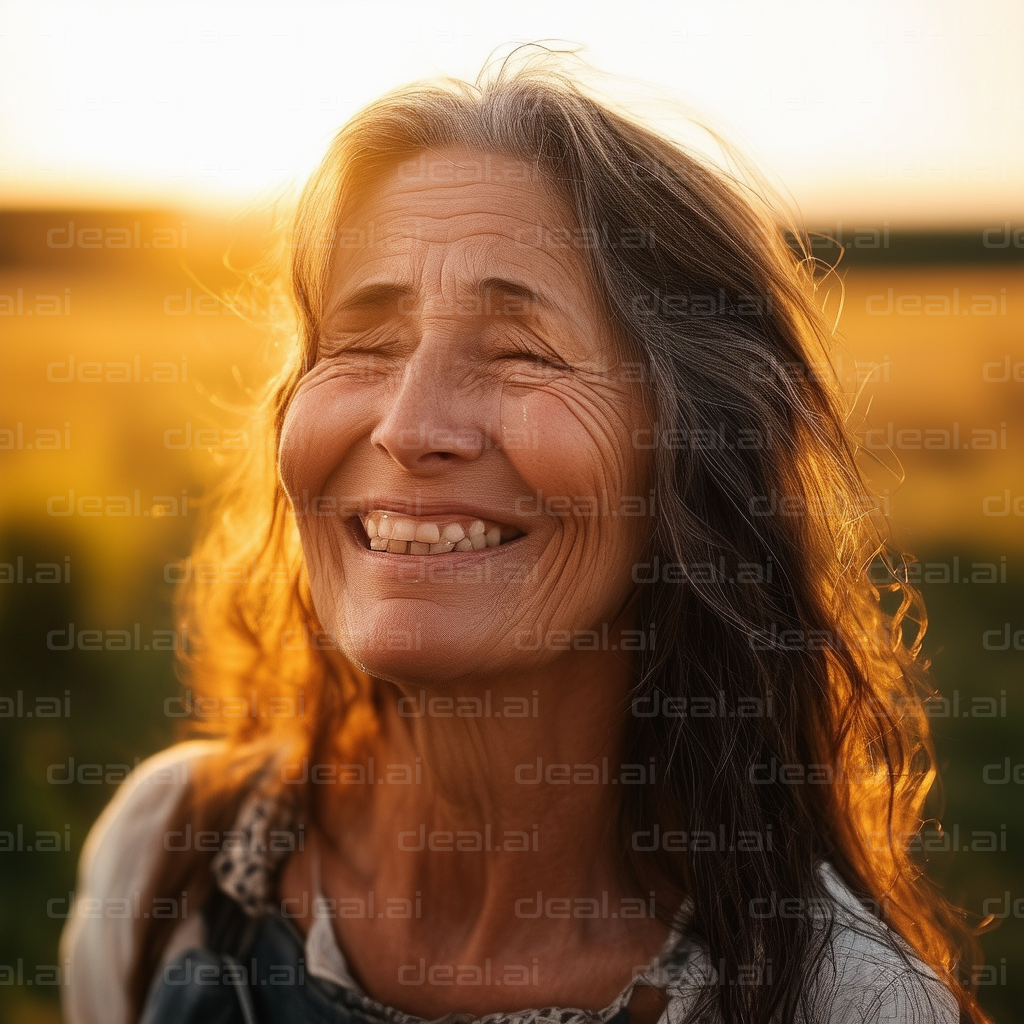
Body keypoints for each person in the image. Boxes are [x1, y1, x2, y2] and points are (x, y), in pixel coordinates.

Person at [60, 49, 990, 1024]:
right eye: (364, 344)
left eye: (520, 353)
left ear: (697, 451)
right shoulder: (170, 855)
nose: (411, 427)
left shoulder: (844, 1003)